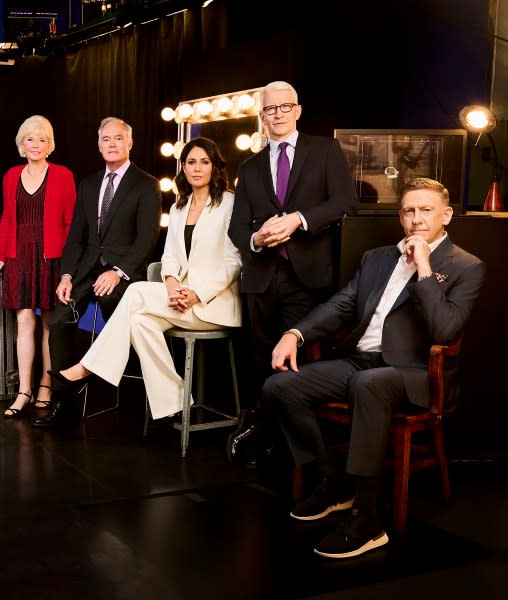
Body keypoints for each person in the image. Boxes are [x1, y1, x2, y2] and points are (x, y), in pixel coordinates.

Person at [263, 178, 484, 559]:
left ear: (446, 215)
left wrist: (424, 268)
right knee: (279, 387)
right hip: (359, 362)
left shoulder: (466, 266)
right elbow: (340, 306)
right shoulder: (377, 258)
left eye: (426, 210)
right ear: (401, 216)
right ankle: (332, 479)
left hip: (413, 374)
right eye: (410, 211)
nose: (416, 219)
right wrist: (295, 332)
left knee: (369, 383)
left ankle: (367, 519)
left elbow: (445, 330)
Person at [54, 138, 241, 419]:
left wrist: (197, 292)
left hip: (212, 304)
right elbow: (170, 257)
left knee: (136, 292)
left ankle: (87, 369)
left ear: (215, 166)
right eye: (191, 162)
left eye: (205, 162)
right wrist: (171, 283)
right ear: (184, 167)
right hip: (179, 299)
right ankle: (177, 404)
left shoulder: (229, 203)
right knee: (140, 322)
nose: (197, 168)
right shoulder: (180, 207)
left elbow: (234, 261)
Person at [226, 80, 358, 459]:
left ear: (298, 110)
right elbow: (237, 227)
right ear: (262, 116)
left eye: (285, 107)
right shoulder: (249, 167)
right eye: (270, 109)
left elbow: (345, 202)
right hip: (261, 277)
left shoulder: (324, 150)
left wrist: (299, 219)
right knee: (260, 359)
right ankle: (268, 436)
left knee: (291, 359)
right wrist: (256, 239)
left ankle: (292, 447)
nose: (278, 114)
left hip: (308, 275)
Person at [34, 116, 161, 427]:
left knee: (112, 307)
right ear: (99, 145)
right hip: (87, 271)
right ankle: (64, 398)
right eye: (106, 139)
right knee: (60, 318)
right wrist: (65, 276)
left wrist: (119, 271)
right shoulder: (89, 184)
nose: (112, 144)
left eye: (118, 138)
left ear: (130, 143)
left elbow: (147, 239)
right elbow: (76, 236)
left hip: (124, 273)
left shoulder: (146, 184)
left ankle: (127, 392)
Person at [0, 116, 77, 418]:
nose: (36, 144)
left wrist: (67, 266)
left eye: (42, 139)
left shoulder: (63, 175)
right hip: (19, 255)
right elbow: (6, 218)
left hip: (51, 255)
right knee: (24, 321)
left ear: (50, 145)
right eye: (30, 139)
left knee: (49, 323)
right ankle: (24, 389)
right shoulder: (11, 175)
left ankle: (46, 383)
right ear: (21, 144)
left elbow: (70, 224)